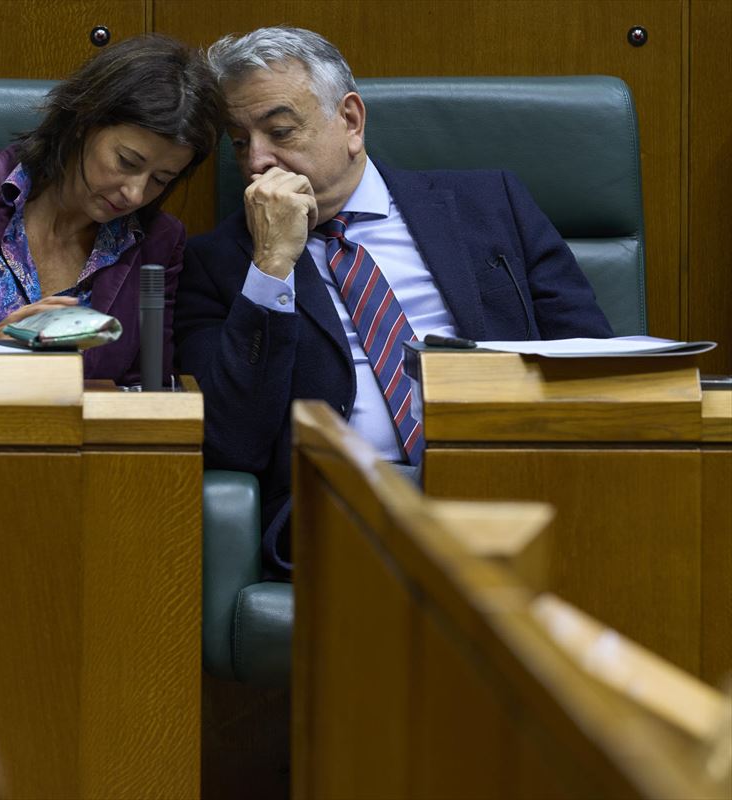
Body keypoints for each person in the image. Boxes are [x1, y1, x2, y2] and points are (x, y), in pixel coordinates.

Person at [174, 26, 613, 579]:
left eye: (280, 131)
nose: (259, 161)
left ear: (351, 121)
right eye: (240, 143)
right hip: (348, 507)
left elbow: (597, 365)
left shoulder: (490, 204)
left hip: (508, 476)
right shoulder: (219, 265)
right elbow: (231, 442)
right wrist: (271, 269)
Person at [0, 35, 221, 386]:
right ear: (83, 123)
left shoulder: (157, 241)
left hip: (74, 441)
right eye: (127, 162)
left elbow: (148, 384)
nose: (135, 193)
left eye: (160, 179)